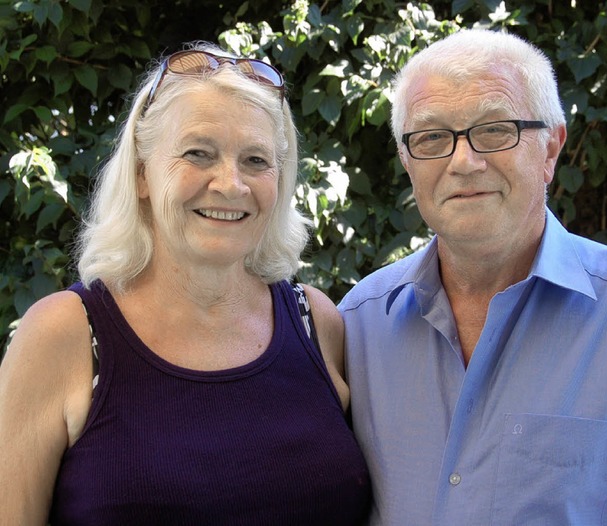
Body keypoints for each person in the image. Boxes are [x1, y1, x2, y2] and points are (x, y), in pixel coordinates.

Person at [0, 42, 371, 525]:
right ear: (141, 176)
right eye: (199, 153)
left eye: (256, 161)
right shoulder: (61, 336)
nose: (231, 184)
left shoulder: (317, 322)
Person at [338, 28, 607, 525]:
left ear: (550, 150)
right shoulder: (359, 325)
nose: (463, 161)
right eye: (432, 137)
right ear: (407, 162)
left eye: (496, 129)